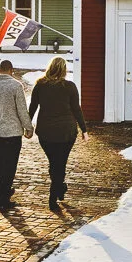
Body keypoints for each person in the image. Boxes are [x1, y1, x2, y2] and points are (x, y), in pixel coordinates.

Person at [28, 56, 88, 212]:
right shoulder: (70, 87)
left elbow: (33, 107)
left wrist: (27, 126)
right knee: (60, 163)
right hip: (66, 132)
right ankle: (54, 194)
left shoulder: (40, 85)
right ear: (64, 70)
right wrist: (84, 130)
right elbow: (77, 109)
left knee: (55, 162)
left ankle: (58, 189)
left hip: (46, 132)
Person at [0, 59, 34, 211]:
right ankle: (3, 198)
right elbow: (21, 110)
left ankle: (4, 195)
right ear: (11, 70)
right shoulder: (16, 86)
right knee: (11, 166)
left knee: (1, 164)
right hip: (13, 133)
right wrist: (28, 127)